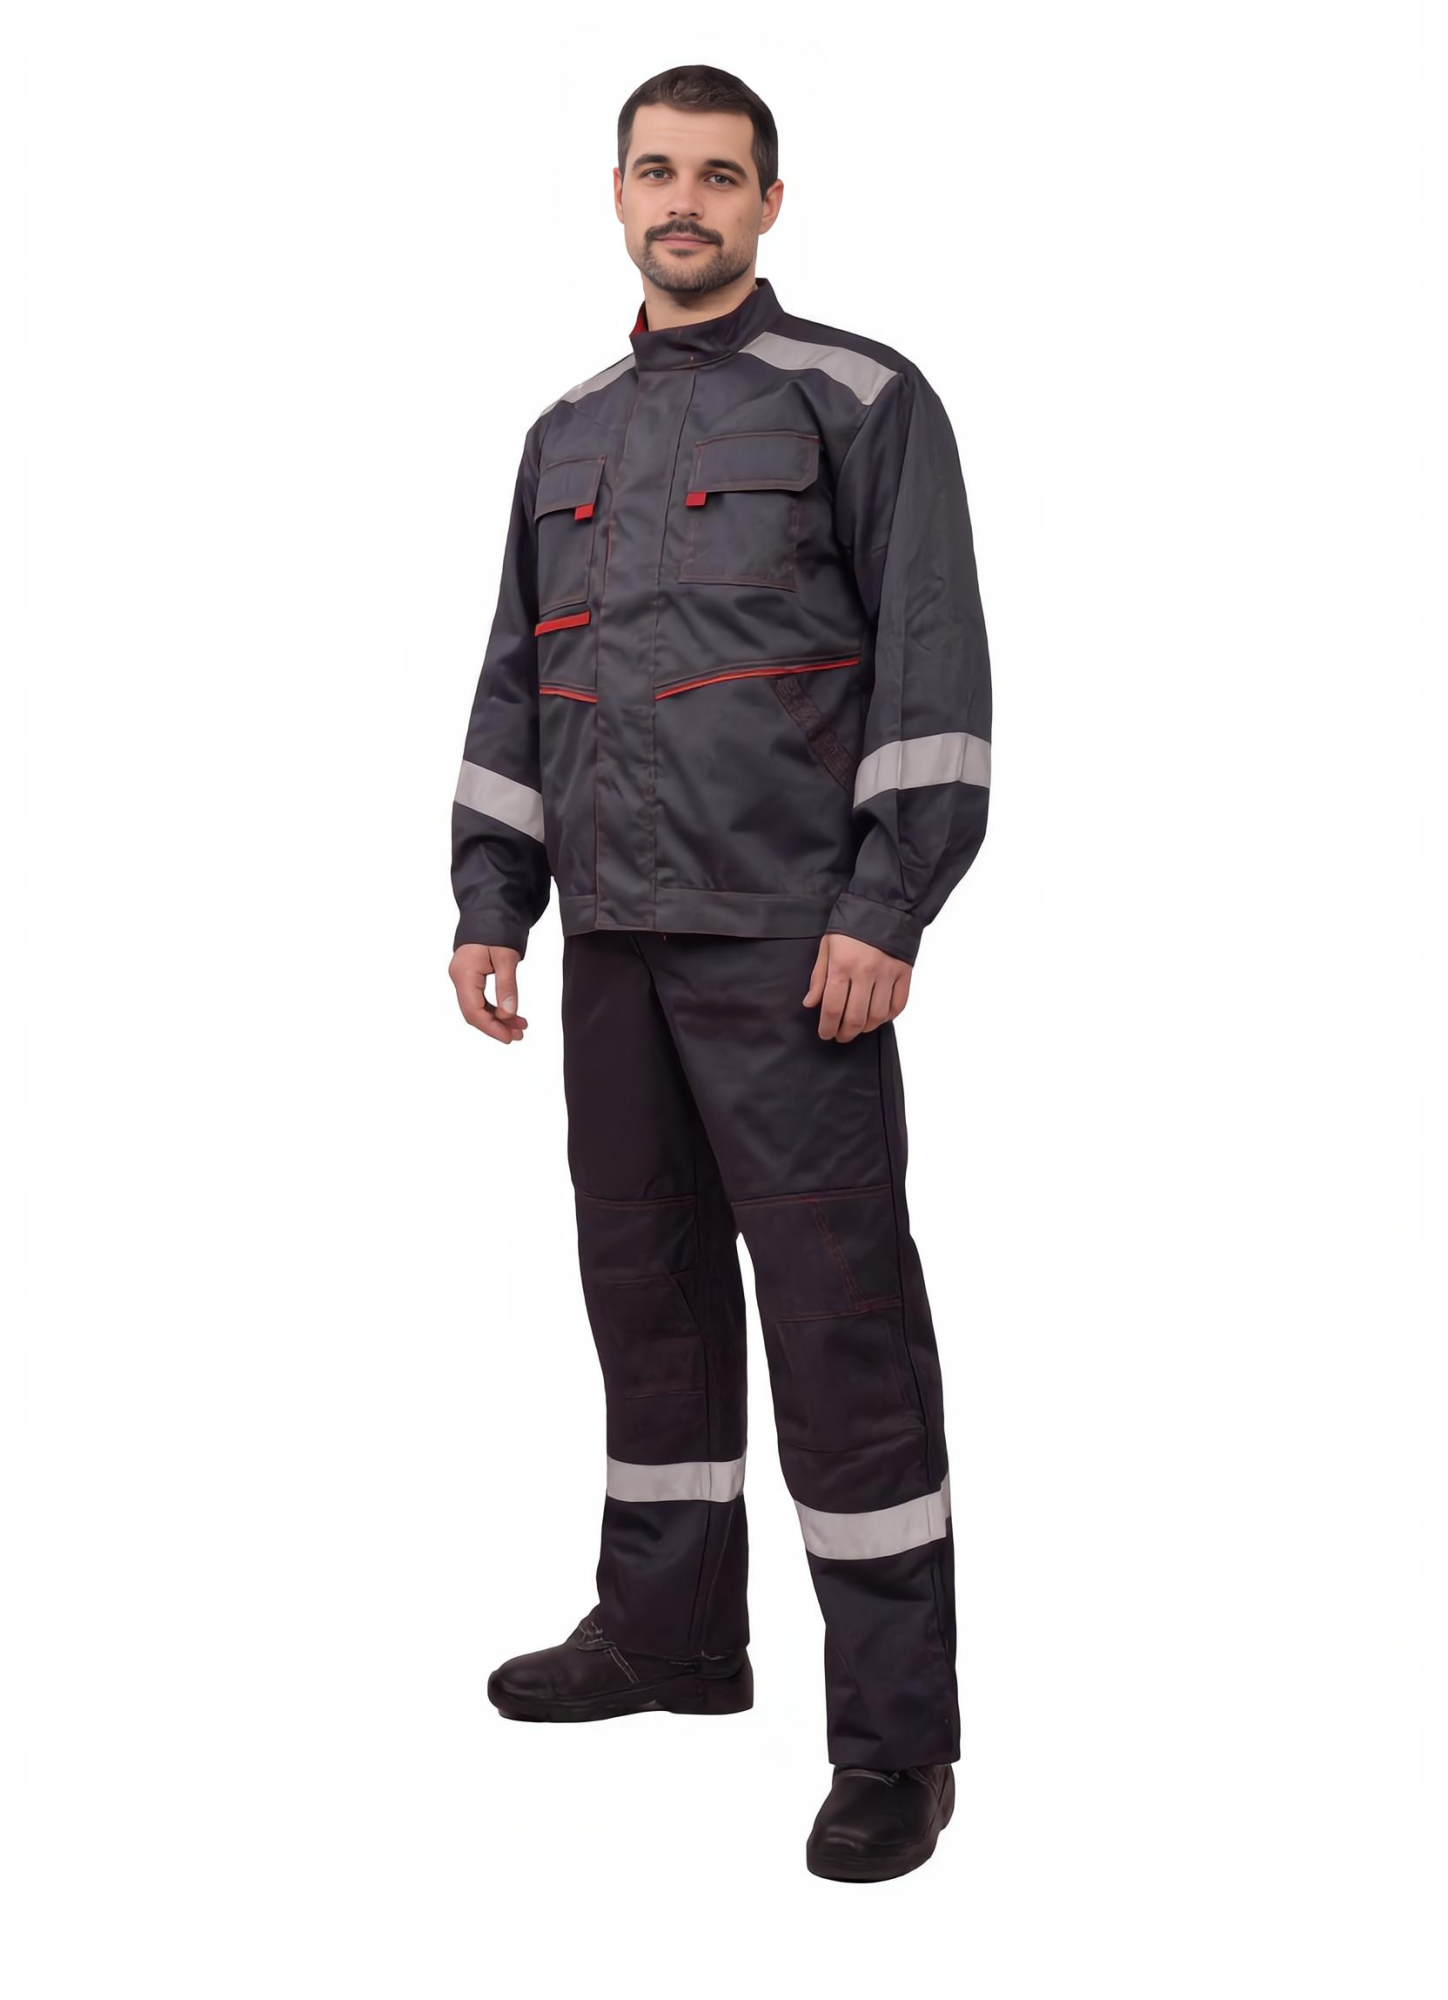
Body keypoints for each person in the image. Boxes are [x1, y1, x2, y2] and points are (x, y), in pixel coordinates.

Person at [448, 63, 992, 1883]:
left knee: (842, 1330)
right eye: (656, 171)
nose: (684, 200)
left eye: (720, 174)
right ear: (618, 195)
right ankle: (671, 1635)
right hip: (612, 944)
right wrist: (490, 900)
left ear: (769, 202)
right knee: (648, 1298)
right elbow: (518, 683)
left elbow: (930, 671)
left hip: (791, 949)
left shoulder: (862, 399)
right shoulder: (566, 435)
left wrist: (886, 907)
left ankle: (897, 1744)